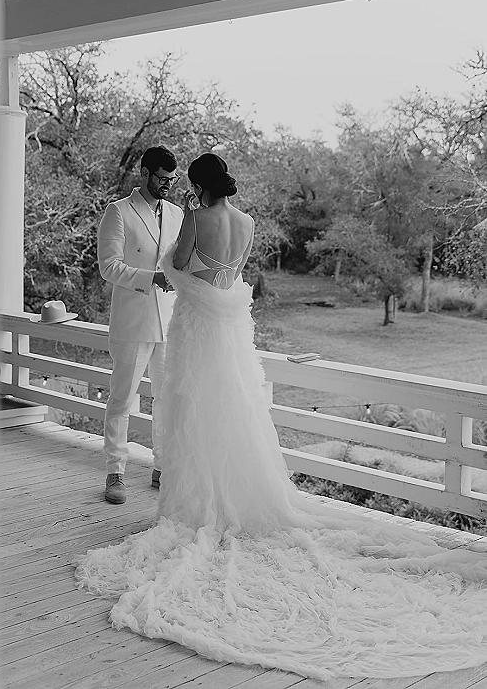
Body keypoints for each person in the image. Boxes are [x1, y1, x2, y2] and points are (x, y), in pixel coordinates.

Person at [77, 153, 487, 681]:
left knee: (188, 406)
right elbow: (212, 272)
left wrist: (174, 272)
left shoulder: (193, 218)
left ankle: (192, 495)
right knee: (222, 409)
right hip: (218, 329)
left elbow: (178, 269)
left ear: (197, 184)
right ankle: (180, 481)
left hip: (193, 325)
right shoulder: (242, 223)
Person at [96, 145, 183, 504]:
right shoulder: (118, 212)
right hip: (133, 321)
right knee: (122, 399)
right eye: (162, 179)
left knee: (167, 399)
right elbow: (108, 266)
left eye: (172, 180)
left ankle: (162, 467)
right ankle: (115, 471)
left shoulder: (178, 214)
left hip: (171, 320)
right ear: (145, 173)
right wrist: (151, 277)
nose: (167, 185)